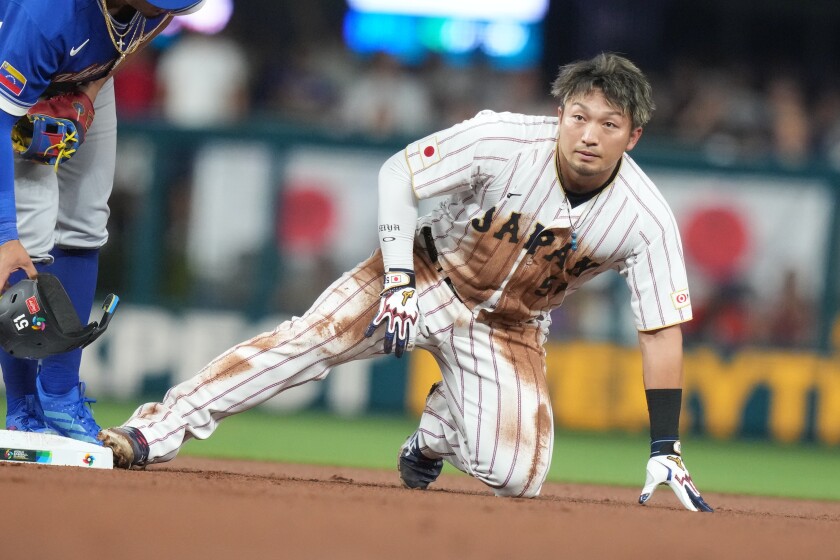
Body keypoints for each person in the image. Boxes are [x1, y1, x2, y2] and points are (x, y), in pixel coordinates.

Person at [99, 53, 713, 512]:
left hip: (510, 326)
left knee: (521, 477)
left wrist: (665, 444)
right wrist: (396, 281)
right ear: (560, 115)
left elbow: (660, 330)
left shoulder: (644, 217)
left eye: (609, 124)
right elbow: (399, 173)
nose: (589, 133)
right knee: (308, 342)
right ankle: (152, 431)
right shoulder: (501, 138)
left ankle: (435, 434)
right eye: (579, 116)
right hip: (422, 272)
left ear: (633, 136)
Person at [0, 0, 206, 443]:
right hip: (15, 75)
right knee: (26, 238)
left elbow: (125, 38)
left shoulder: (153, 9)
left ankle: (58, 396)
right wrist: (3, 235)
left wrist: (85, 98)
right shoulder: (45, 15)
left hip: (80, 72)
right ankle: (21, 409)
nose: (161, 7)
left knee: (87, 220)